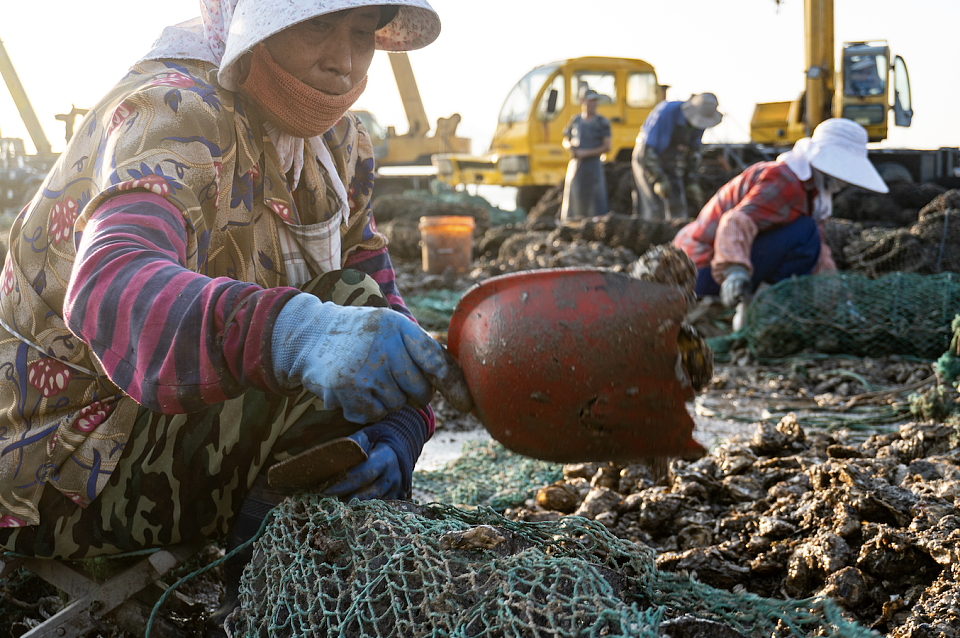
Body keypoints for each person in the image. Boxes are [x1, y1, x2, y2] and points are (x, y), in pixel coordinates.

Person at [0, 0, 470, 632]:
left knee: (357, 316)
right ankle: (265, 615)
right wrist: (296, 335)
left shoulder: (338, 144)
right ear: (258, 29)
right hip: (60, 469)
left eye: (362, 35)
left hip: (163, 427)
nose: (344, 60)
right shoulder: (172, 112)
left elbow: (380, 301)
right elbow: (110, 284)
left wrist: (405, 424)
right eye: (316, 26)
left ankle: (298, 590)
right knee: (335, 323)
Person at [673, 118, 889, 328]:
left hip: (703, 267)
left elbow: (818, 254)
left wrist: (834, 298)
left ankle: (759, 303)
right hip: (697, 269)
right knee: (805, 232)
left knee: (808, 234)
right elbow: (735, 221)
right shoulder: (784, 180)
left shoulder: (810, 193)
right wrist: (734, 271)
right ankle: (761, 308)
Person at [632, 92, 722, 221]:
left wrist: (691, 181)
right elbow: (648, 150)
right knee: (653, 206)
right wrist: (658, 178)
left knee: (677, 203)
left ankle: (677, 234)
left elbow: (693, 153)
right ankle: (652, 233)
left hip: (672, 161)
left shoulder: (700, 124)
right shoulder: (666, 112)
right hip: (647, 157)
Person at [559, 88, 611, 221]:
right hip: (576, 168)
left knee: (596, 204)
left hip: (594, 168)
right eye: (590, 101)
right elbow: (565, 138)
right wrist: (570, 147)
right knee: (575, 204)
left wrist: (585, 153)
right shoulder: (575, 120)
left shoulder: (602, 122)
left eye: (595, 101)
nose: (593, 104)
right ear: (582, 101)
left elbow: (607, 147)